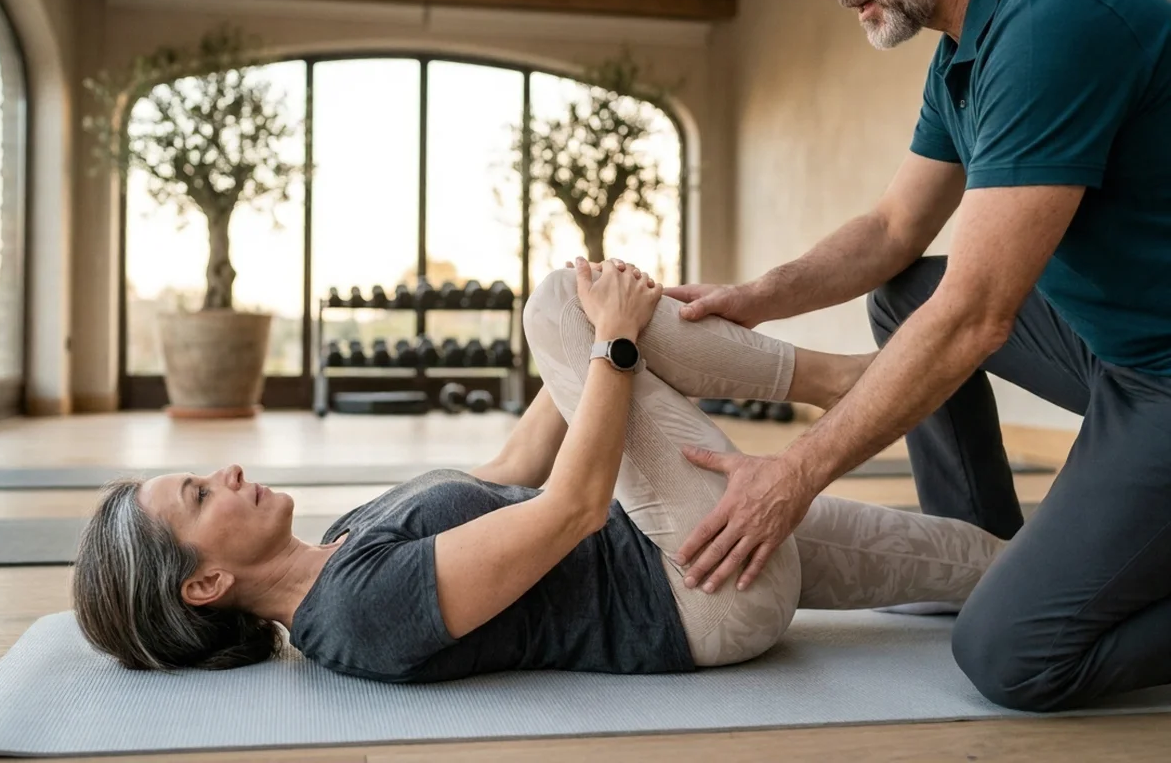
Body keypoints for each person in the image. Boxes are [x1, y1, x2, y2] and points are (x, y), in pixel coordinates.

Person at [663, 0, 1171, 712]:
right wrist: (756, 297)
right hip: (1118, 344)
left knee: (1012, 655)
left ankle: (1009, 597)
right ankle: (975, 549)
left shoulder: (1057, 17)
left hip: (1161, 377)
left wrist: (793, 475)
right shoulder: (965, 52)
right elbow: (893, 229)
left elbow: (975, 316)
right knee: (906, 293)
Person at [72, 261, 1004, 682]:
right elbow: (571, 508)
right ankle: (854, 382)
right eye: (200, 494)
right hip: (696, 588)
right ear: (205, 583)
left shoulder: (346, 539)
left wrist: (584, 357)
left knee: (987, 566)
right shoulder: (355, 613)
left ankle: (1083, 569)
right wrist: (611, 339)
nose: (228, 470)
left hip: (696, 533)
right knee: (557, 303)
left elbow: (516, 466)